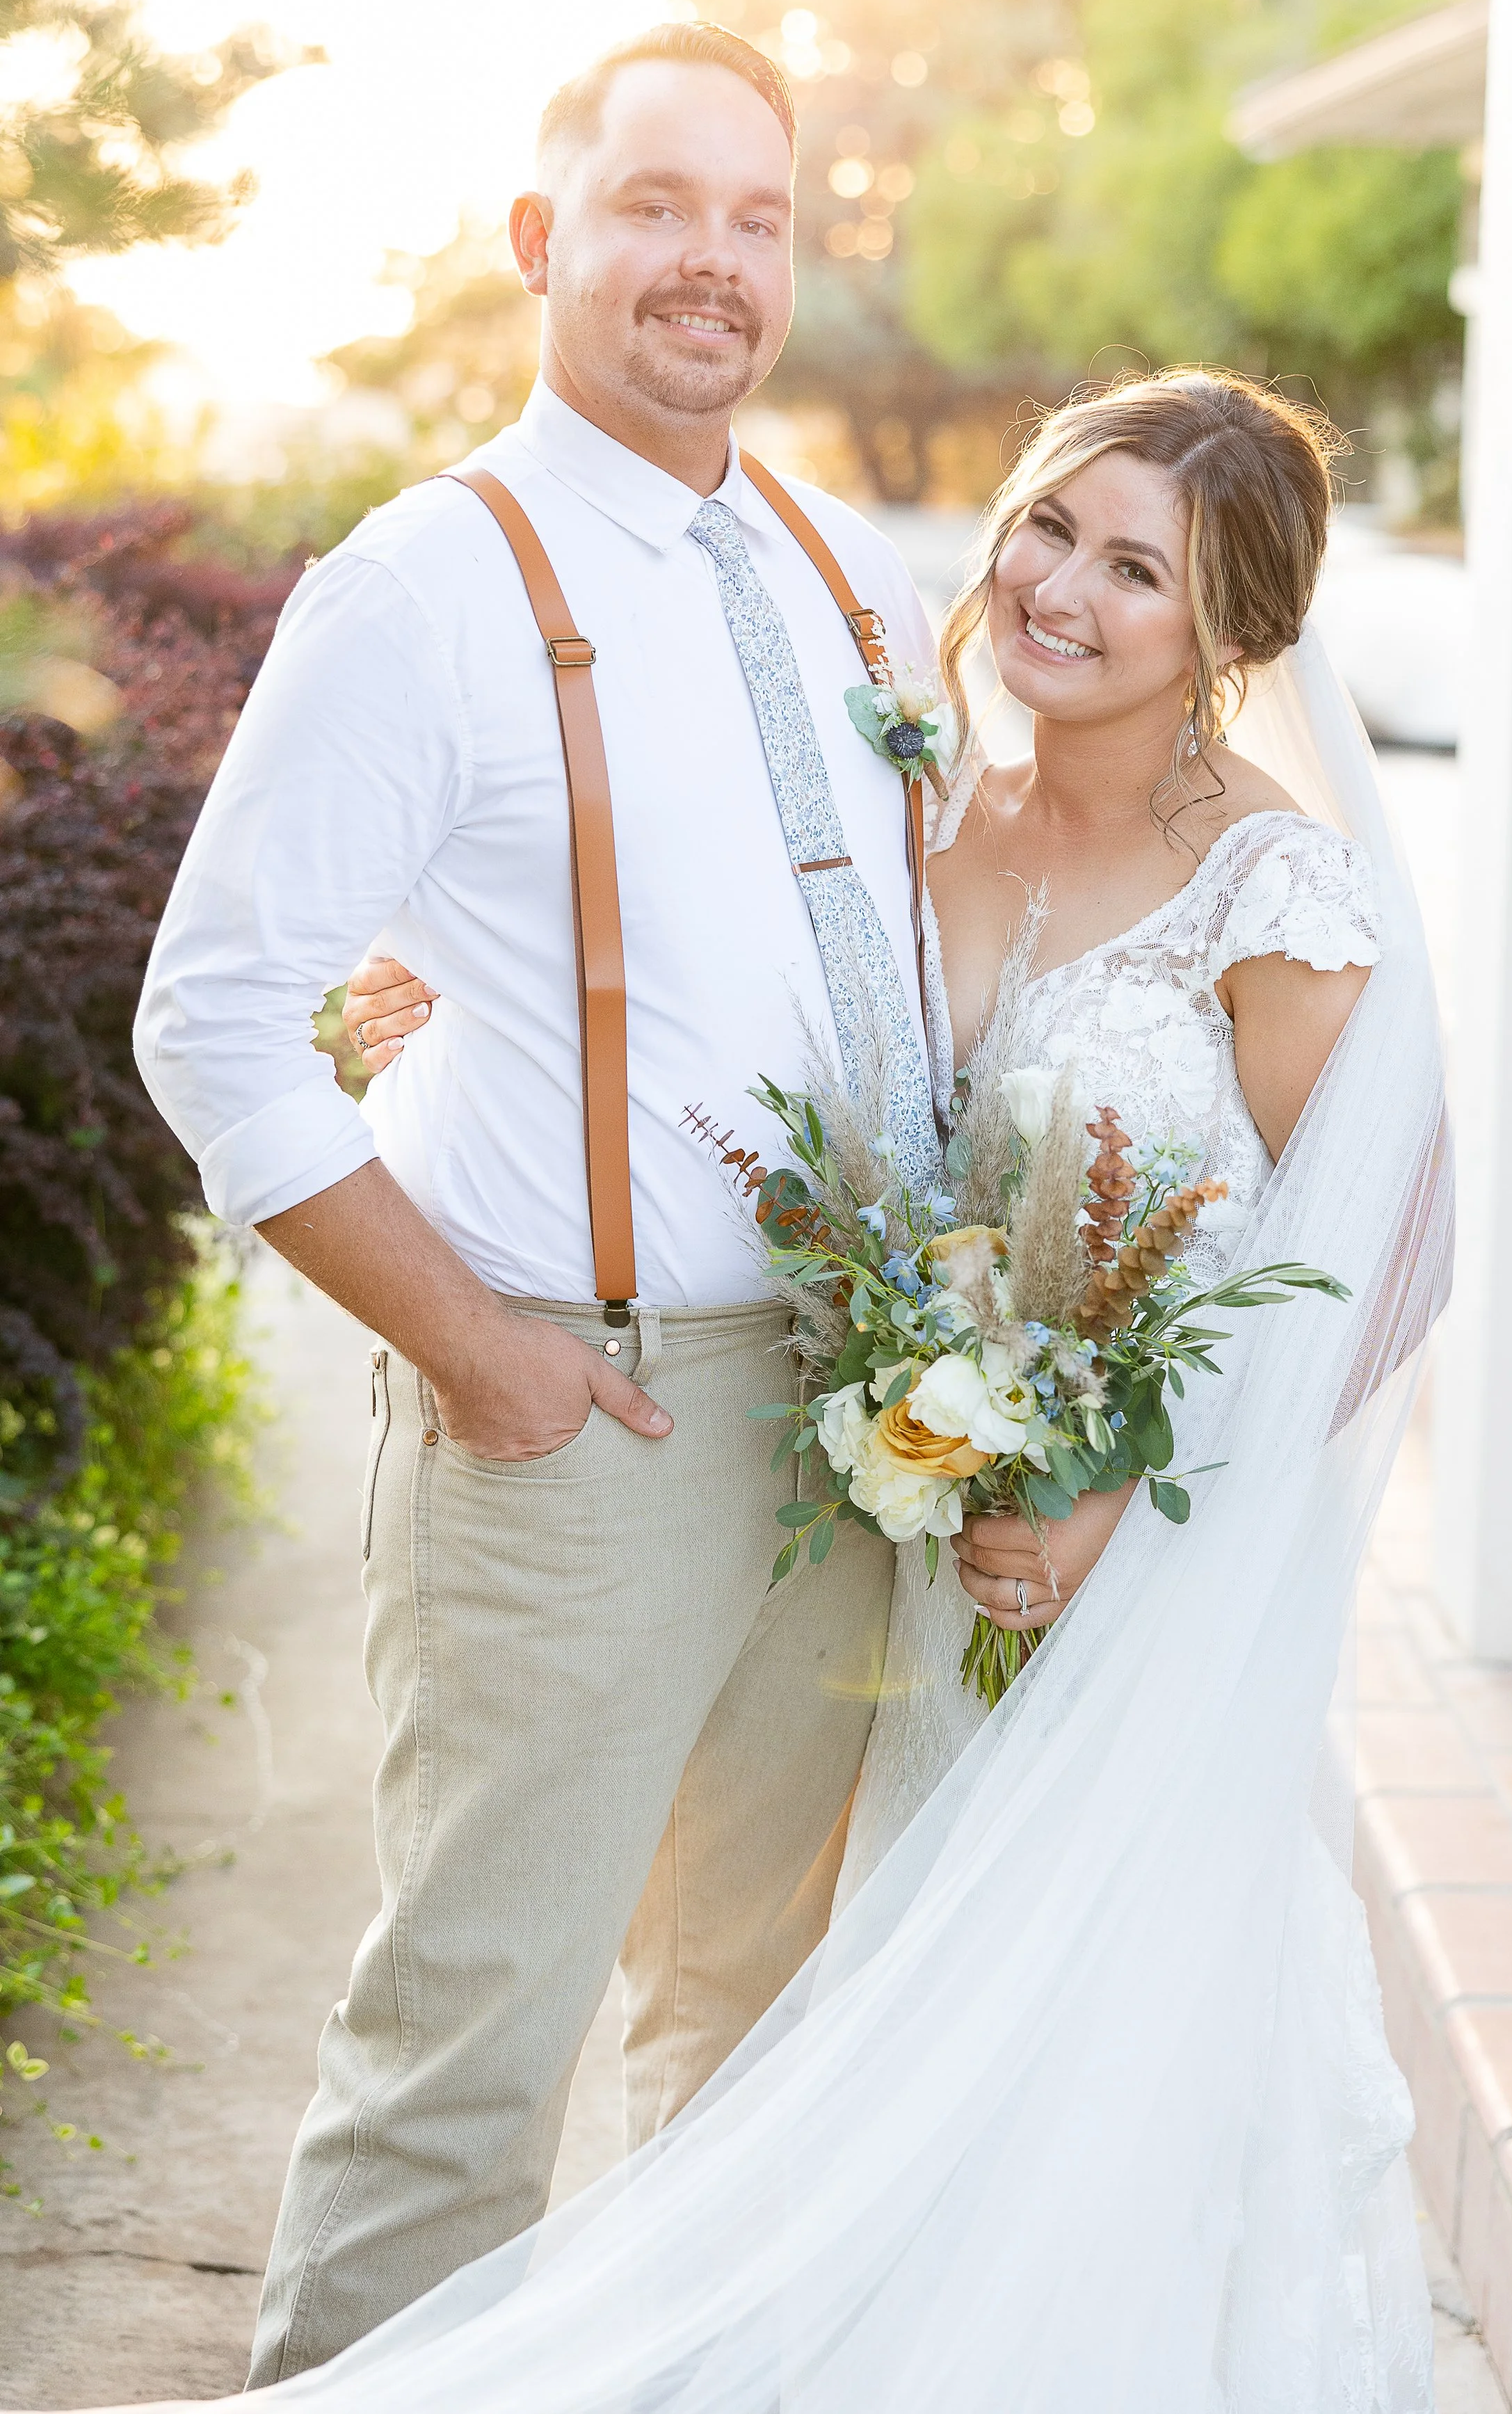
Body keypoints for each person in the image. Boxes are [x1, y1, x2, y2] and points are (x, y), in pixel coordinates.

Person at [273, 368, 1451, 2413]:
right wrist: (483, 975)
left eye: (1133, 569)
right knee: (863, 2018)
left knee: (1067, 2045)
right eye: (1046, 527)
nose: (1056, 588)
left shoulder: (1278, 893)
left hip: (1132, 1587)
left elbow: (1366, 1266)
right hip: (916, 1557)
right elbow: (735, 977)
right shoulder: (924, 800)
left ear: (1228, 635)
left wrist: (1106, 1503)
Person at [132, 22, 947, 2385]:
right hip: (580, 1414)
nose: (713, 259)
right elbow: (213, 1015)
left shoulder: (830, 557)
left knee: (755, 2024)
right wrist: (478, 1353)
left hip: (859, 1418)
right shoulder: (422, 586)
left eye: (760, 216)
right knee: (464, 2056)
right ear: (539, 239)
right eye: (656, 203)